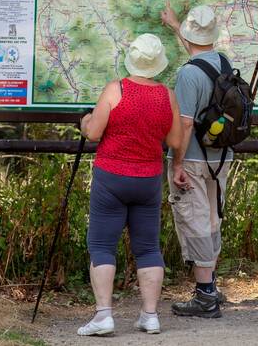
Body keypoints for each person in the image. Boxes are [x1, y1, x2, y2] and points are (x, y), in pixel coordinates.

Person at [76, 33, 184, 337]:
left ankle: (103, 316)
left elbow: (94, 132)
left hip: (111, 176)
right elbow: (175, 141)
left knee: (101, 245)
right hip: (148, 179)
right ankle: (150, 316)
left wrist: (85, 122)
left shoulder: (116, 89)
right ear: (158, 64)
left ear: (132, 59)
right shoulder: (168, 96)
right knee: (148, 247)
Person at [160, 3, 232, 318]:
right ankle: (211, 285)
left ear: (191, 34)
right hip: (221, 157)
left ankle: (205, 296)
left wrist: (176, 164)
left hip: (192, 159)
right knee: (212, 218)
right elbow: (198, 58)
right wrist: (177, 27)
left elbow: (185, 124)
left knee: (195, 221)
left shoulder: (188, 74)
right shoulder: (224, 63)